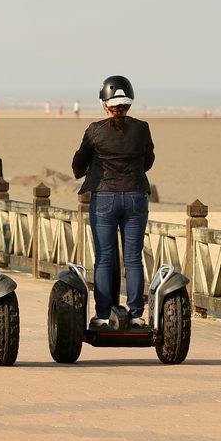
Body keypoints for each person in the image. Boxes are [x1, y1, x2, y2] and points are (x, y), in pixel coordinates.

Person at [71, 75, 155, 329]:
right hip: (135, 197)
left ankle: (104, 314)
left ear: (104, 103)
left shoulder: (95, 130)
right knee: (133, 257)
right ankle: (137, 315)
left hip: (105, 198)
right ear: (129, 103)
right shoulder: (142, 128)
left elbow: (77, 165)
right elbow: (148, 161)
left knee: (105, 257)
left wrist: (95, 166)